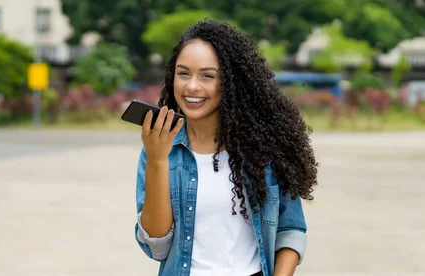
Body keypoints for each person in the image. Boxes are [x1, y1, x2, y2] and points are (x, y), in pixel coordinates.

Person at [134, 19, 318, 276]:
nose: (192, 86)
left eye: (207, 75)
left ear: (232, 82)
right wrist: (157, 160)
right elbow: (157, 247)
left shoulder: (263, 147)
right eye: (183, 73)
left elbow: (290, 230)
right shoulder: (160, 149)